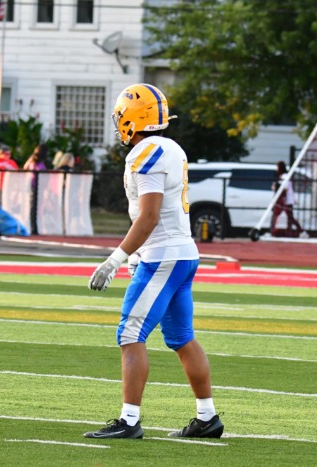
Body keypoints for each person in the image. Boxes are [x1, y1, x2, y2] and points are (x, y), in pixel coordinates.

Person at [84, 83, 224, 440]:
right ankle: (207, 418)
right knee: (181, 337)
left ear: (132, 119)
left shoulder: (145, 152)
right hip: (181, 253)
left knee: (131, 333)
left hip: (164, 255)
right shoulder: (170, 148)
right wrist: (136, 254)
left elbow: (149, 217)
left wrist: (115, 260)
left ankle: (129, 421)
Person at [270, 160, 308, 238]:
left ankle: (272, 232)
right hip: (284, 200)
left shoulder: (285, 176)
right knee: (288, 217)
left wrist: (279, 193)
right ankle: (301, 231)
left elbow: (284, 189)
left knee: (278, 215)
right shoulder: (281, 177)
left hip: (284, 200)